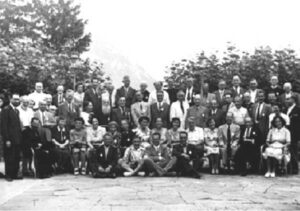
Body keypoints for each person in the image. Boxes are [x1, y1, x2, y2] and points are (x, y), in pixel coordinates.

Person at [1, 94, 23, 181]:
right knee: (9, 157)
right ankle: (9, 175)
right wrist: (7, 139)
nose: (17, 101)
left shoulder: (16, 111)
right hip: (10, 138)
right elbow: (4, 126)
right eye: (15, 99)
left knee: (16, 157)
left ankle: (14, 174)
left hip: (17, 138)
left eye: (18, 100)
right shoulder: (6, 110)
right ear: (11, 99)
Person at [284, 96, 300, 174]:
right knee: (288, 150)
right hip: (286, 132)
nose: (287, 101)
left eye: (288, 99)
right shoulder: (286, 109)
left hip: (294, 134)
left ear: (293, 100)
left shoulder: (298, 109)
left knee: (294, 151)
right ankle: (288, 167)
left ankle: (295, 168)